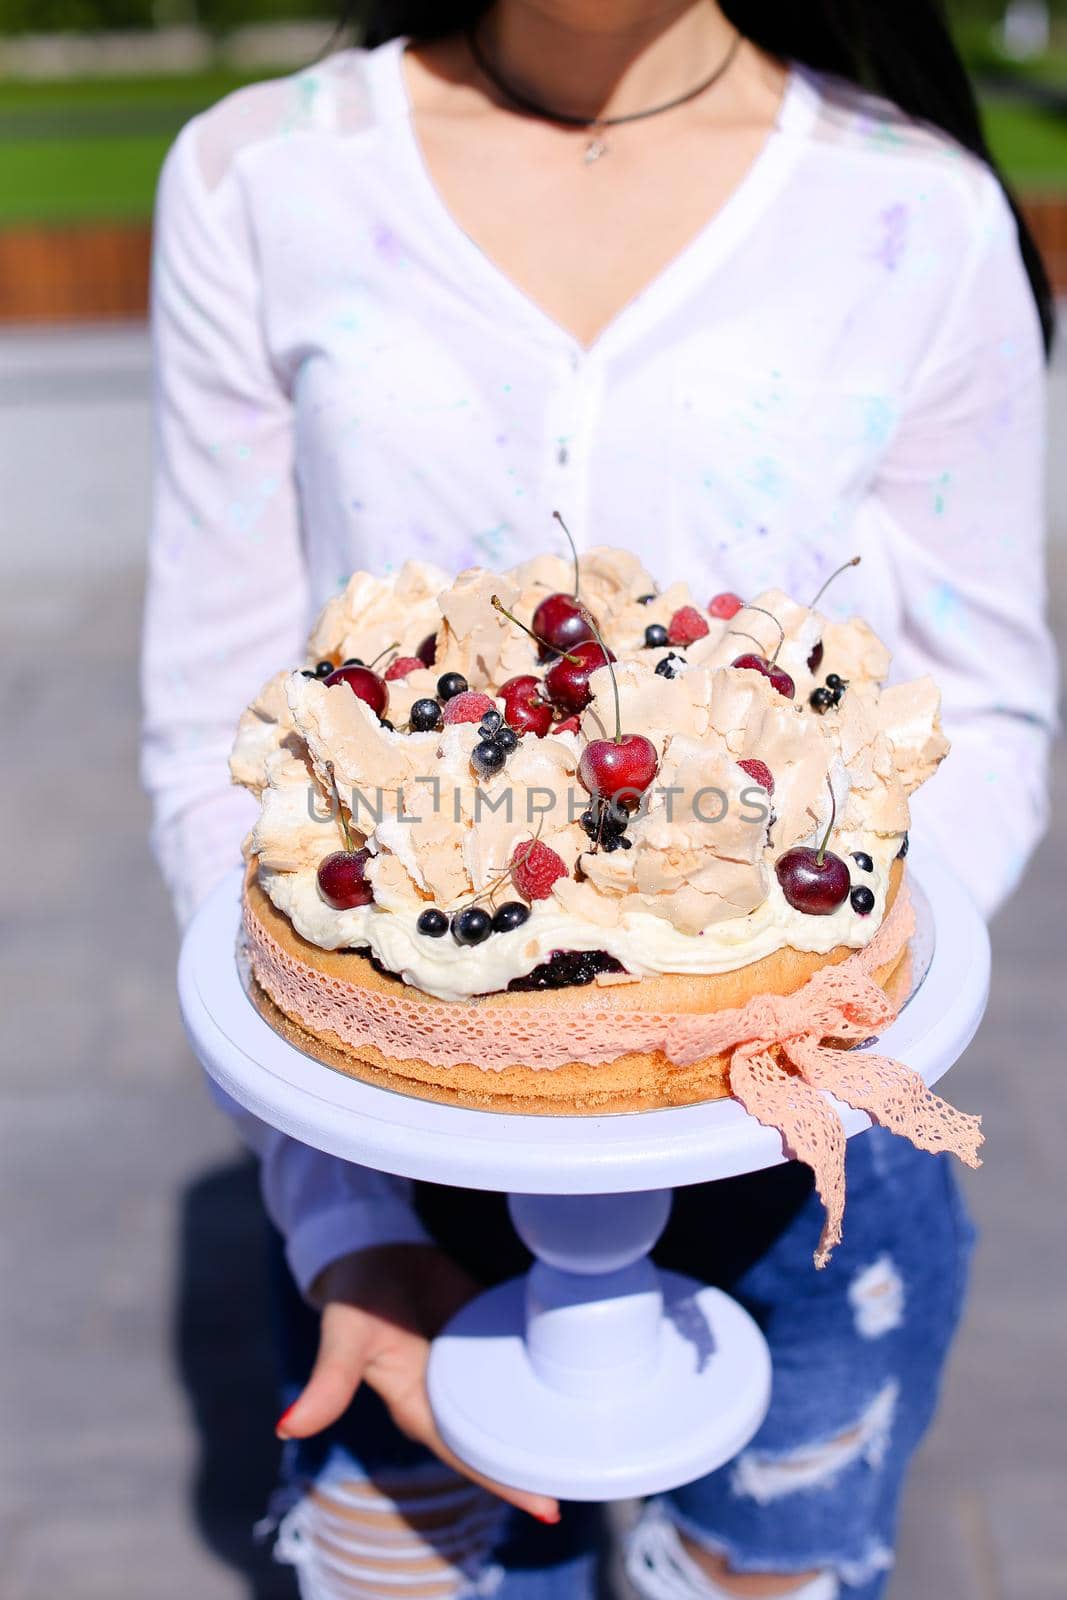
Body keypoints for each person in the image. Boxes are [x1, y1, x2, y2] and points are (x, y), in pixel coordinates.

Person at [141, 2, 1057, 1596]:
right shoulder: (259, 179)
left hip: (811, 1174)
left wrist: (799, 1026)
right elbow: (220, 731)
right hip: (386, 1169)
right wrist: (336, 1212)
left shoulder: (914, 206)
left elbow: (980, 707)